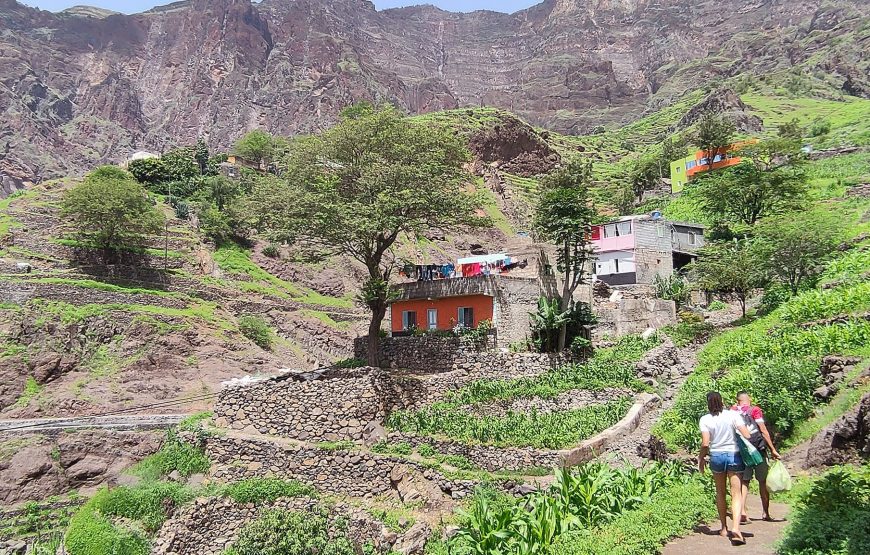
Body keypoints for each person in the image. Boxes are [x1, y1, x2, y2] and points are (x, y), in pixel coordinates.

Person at [699, 391, 753, 545]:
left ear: (708, 404)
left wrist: (701, 458)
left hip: (716, 456)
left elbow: (705, 443)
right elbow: (747, 435)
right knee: (736, 493)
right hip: (734, 455)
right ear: (722, 401)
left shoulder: (705, 419)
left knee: (720, 492)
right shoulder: (732, 415)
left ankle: (723, 528)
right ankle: (736, 528)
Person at [732, 391, 781, 522]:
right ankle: (765, 513)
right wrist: (773, 449)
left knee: (744, 482)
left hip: (742, 452)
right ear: (750, 399)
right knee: (762, 481)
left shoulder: (732, 411)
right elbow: (763, 431)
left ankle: (742, 511)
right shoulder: (755, 410)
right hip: (758, 450)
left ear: (737, 401)